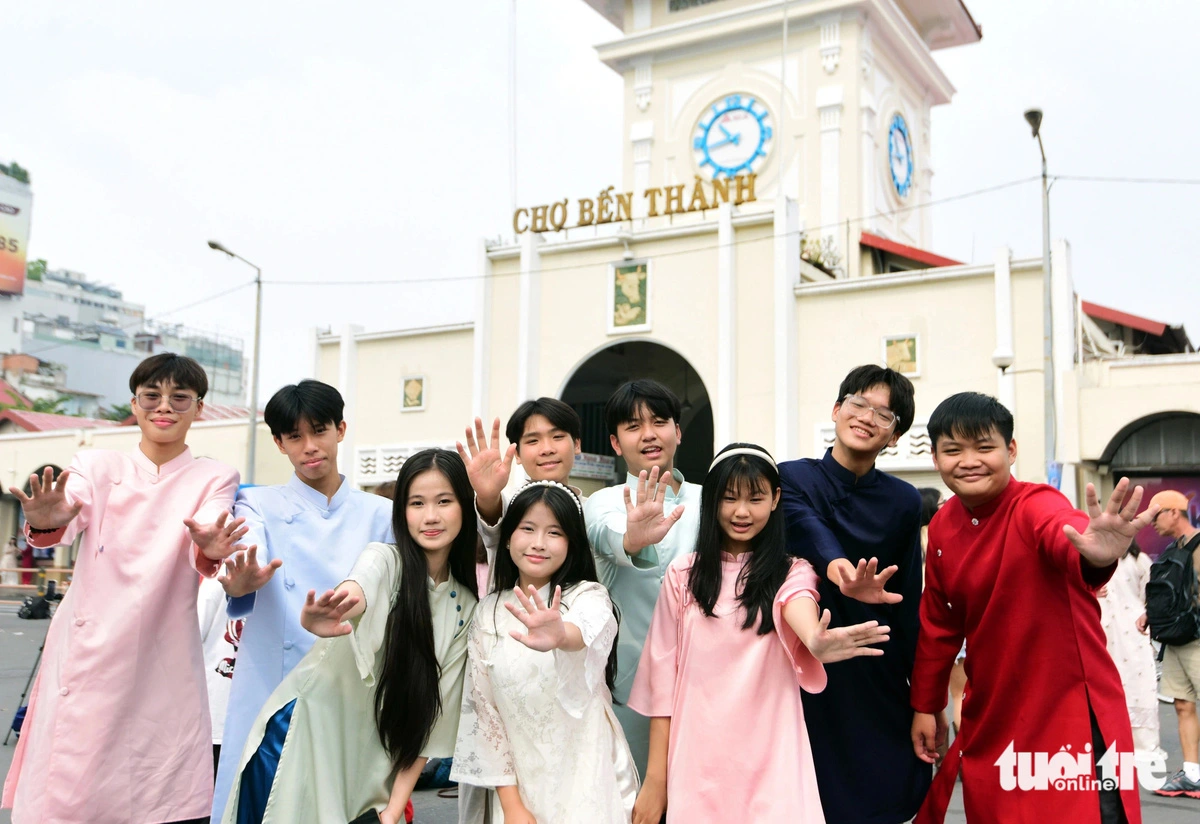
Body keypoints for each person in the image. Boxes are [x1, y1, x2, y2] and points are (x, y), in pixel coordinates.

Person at [2, 352, 244, 824]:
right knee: (73, 788)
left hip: (162, 649)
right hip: (88, 651)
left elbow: (215, 527)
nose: (164, 407)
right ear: (133, 405)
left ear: (200, 408)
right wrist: (47, 525)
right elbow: (66, 513)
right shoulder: (94, 464)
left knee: (156, 788)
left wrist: (214, 546)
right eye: (151, 396)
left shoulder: (214, 476)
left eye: (180, 398)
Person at [911, 392, 1151, 824]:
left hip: (1070, 710)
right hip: (993, 712)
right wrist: (926, 706)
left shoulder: (1035, 503)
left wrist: (1096, 551)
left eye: (984, 447)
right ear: (934, 457)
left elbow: (1065, 534)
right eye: (953, 450)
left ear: (1011, 450)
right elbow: (939, 623)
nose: (969, 461)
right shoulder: (945, 523)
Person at [629, 444, 891, 823]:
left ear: (775, 500)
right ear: (712, 500)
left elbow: (798, 603)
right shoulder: (683, 577)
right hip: (697, 761)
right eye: (729, 498)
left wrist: (815, 640)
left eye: (755, 498)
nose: (741, 511)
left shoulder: (793, 571)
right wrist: (656, 780)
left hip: (773, 759)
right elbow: (662, 688)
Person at [222, 448, 479, 824]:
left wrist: (395, 807)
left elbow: (429, 720)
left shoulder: (465, 607)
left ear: (464, 507)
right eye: (416, 503)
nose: (431, 516)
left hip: (370, 766)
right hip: (299, 740)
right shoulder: (384, 559)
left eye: (444, 501)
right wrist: (334, 611)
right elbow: (358, 588)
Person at [212, 380, 394, 821]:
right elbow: (243, 560)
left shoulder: (382, 514)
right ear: (279, 443)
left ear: (341, 429)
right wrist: (241, 579)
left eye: (320, 431)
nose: (310, 447)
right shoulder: (255, 504)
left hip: (350, 688)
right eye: (295, 436)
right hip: (274, 693)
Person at [778, 365, 928, 824]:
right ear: (837, 409)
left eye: (884, 415)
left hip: (874, 668)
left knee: (879, 790)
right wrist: (840, 570)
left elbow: (908, 601)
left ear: (896, 436)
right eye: (859, 404)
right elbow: (806, 523)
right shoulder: (791, 477)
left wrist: (924, 702)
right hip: (802, 664)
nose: (867, 417)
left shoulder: (904, 501)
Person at [453, 481, 637, 823]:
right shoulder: (487, 612)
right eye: (528, 529)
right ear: (508, 537)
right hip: (519, 789)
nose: (539, 543)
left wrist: (561, 634)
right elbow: (485, 713)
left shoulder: (588, 596)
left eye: (554, 532)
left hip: (587, 778)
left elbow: (584, 630)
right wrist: (512, 806)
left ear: (571, 544)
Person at [583, 379, 701, 775]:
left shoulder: (710, 498)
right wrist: (632, 539)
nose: (649, 434)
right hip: (630, 684)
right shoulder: (603, 502)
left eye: (660, 421)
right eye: (633, 426)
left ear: (678, 431)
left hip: (706, 677)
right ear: (616, 443)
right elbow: (607, 536)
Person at [457, 398, 586, 573]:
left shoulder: (594, 510)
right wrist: (487, 497)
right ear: (517, 454)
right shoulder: (510, 505)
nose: (547, 449)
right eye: (533, 441)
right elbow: (492, 521)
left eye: (557, 437)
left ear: (576, 444)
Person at [1141, 489, 1200, 799]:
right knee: (1182, 703)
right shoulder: (1171, 550)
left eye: (1156, 515)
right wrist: (1149, 615)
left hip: (1197, 639)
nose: (1152, 522)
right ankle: (1192, 774)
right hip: (1177, 639)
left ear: (1174, 513)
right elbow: (1169, 593)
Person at [1098, 540, 1167, 769]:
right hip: (1104, 628)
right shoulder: (1095, 560)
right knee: (1107, 688)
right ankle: (1110, 745)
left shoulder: (1139, 560)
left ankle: (1144, 746)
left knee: (1138, 686)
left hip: (1133, 631)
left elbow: (1152, 592)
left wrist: (1147, 614)